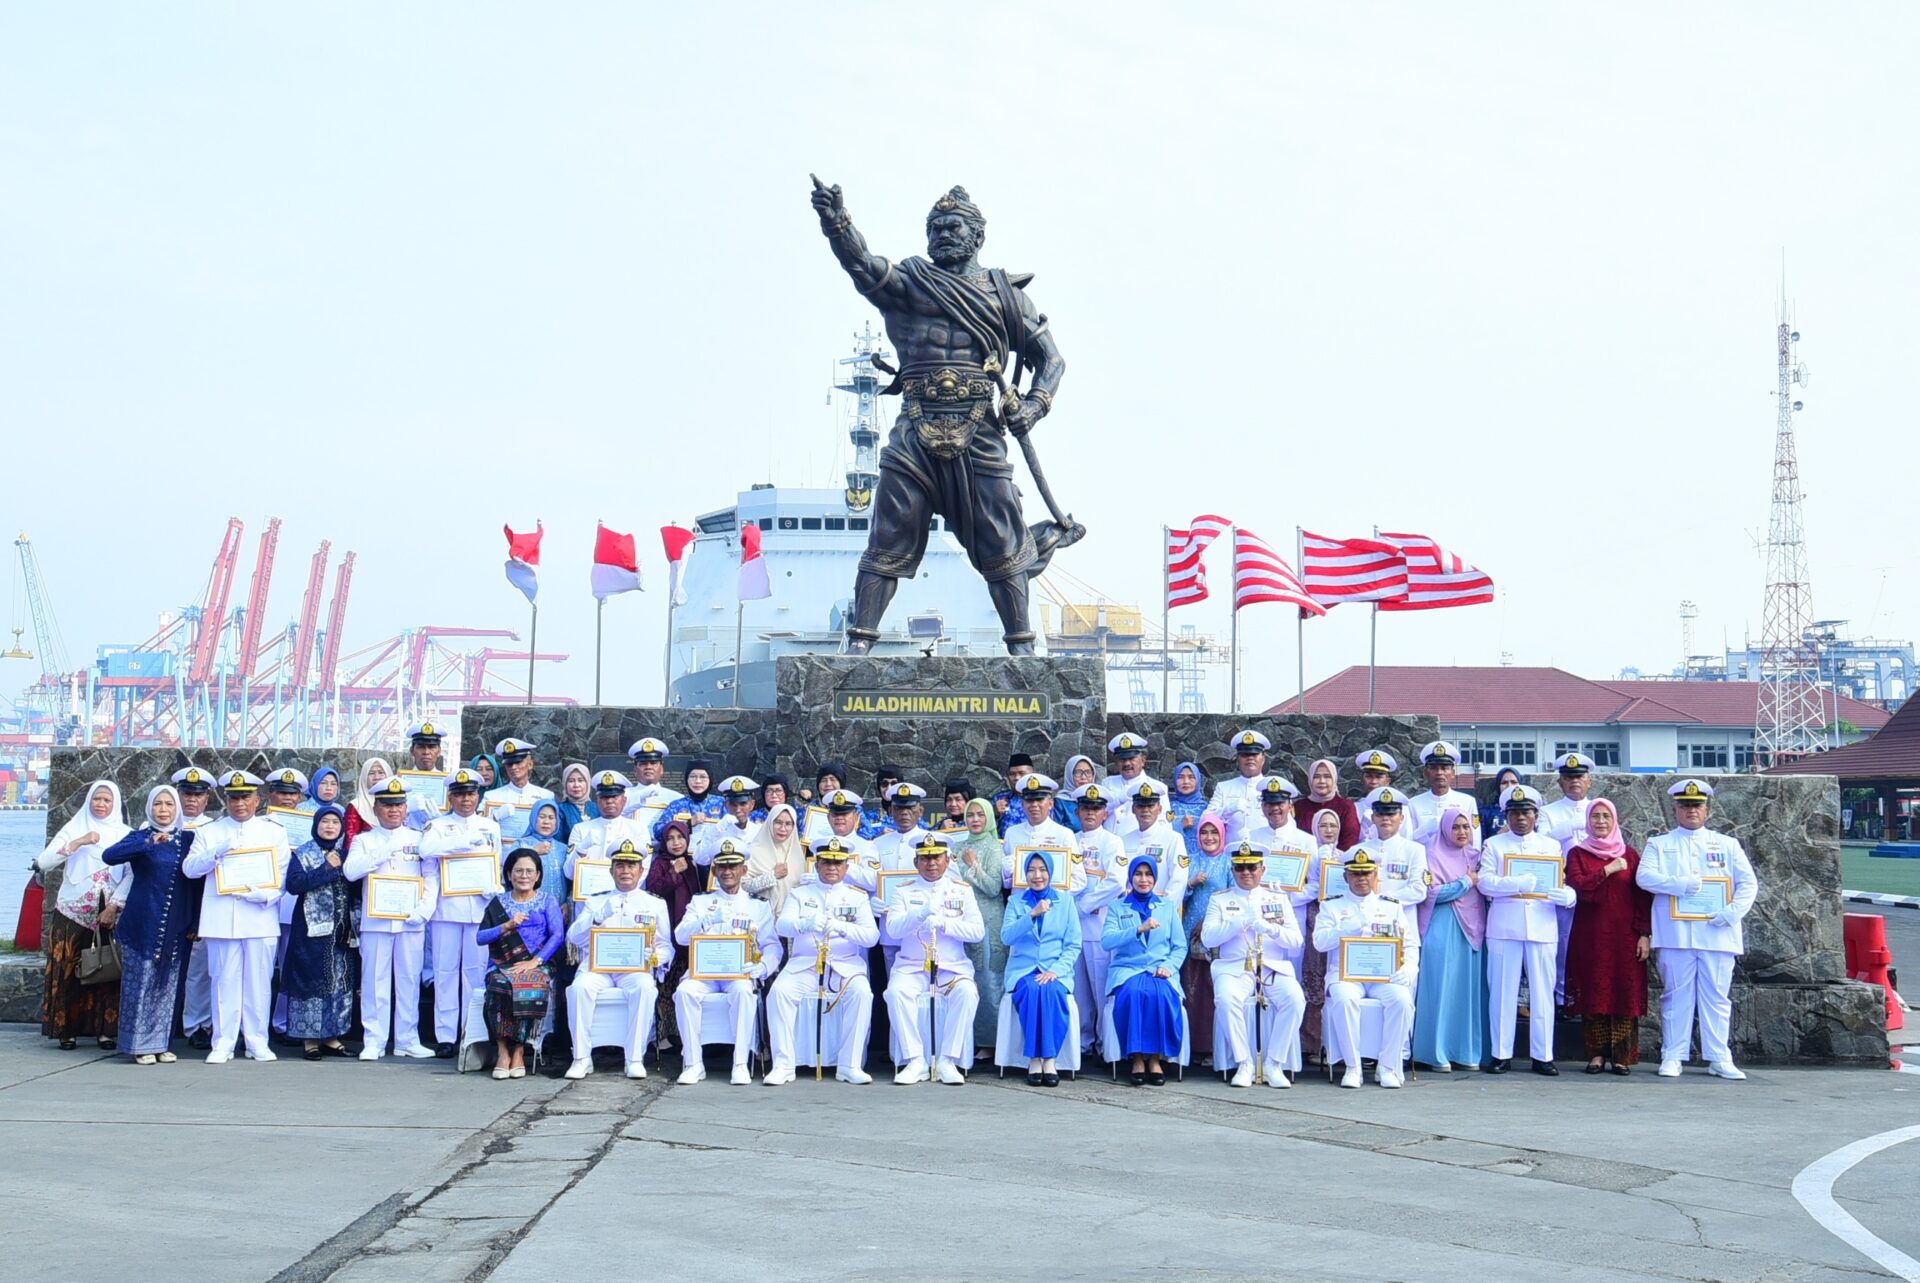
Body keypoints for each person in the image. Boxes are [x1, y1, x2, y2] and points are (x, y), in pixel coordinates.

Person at [1636, 779, 1760, 1081]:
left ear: (1707, 810)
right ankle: (1673, 1055)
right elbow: (1644, 877)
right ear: (1674, 809)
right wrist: (1679, 884)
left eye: (1697, 806)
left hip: (1717, 933)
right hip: (1676, 933)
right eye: (1685, 806)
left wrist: (1731, 913)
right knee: (1675, 996)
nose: (1691, 811)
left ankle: (1719, 1057)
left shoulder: (1727, 845)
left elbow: (1748, 884)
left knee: (1716, 998)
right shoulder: (1659, 844)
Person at [181, 771, 293, 1063]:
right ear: (225, 800)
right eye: (233, 798)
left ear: (257, 799)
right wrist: (216, 852)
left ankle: (257, 1041)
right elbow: (189, 869)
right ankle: (223, 1042)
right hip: (221, 918)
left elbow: (284, 873)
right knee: (223, 982)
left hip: (259, 916)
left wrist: (267, 895)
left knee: (259, 983)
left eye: (245, 797)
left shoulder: (274, 831)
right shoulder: (209, 832)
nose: (239, 803)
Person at [1478, 785, 1577, 1076]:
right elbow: (1484, 883)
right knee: (1502, 992)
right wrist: (1516, 883)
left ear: (1535, 815)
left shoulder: (1551, 846)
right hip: (1505, 926)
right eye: (1515, 813)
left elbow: (1560, 881)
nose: (1521, 818)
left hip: (1542, 925)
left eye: (1526, 812)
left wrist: (1568, 896)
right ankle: (1500, 1053)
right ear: (1506, 815)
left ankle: (1543, 1055)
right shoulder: (1494, 845)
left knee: (1543, 992)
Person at [766, 837, 880, 1084]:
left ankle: (849, 1065)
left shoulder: (857, 897)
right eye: (826, 862)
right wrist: (804, 924)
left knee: (862, 993)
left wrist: (843, 928)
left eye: (838, 863)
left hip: (845, 965)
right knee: (779, 993)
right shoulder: (800, 894)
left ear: (846, 867)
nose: (832, 867)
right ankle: (783, 1065)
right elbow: (782, 926)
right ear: (816, 865)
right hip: (805, 965)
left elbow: (871, 937)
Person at [100, 785, 198, 1064]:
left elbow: (197, 883)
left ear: (177, 808)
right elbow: (110, 855)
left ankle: (161, 1043)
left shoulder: (188, 839)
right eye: (158, 804)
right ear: (149, 808)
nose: (163, 810)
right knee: (140, 983)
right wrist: (147, 843)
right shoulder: (140, 837)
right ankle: (139, 1045)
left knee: (167, 985)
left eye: (169, 804)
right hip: (142, 921)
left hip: (175, 924)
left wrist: (195, 922)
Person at [343, 777, 435, 1060]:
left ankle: (407, 1039)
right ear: (376, 808)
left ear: (406, 808)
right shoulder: (363, 840)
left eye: (398, 805)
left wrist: (424, 910)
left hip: (410, 920)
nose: (393, 810)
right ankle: (374, 1039)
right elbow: (350, 872)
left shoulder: (419, 839)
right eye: (387, 805)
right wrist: (382, 852)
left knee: (409, 981)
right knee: (374, 981)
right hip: (376, 921)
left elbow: (431, 877)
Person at [34, 780, 131, 1050]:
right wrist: (78, 842)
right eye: (96, 799)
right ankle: (67, 1031)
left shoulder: (126, 834)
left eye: (107, 800)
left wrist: (115, 906)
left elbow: (131, 874)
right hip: (71, 912)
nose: (101, 804)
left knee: (107, 971)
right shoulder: (74, 829)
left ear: (115, 804)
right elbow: (44, 862)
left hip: (108, 914)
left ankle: (105, 1031)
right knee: (68, 970)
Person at [1200, 842, 1306, 1088]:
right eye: (1240, 868)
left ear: (1262, 869)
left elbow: (1296, 942)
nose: (1246, 872)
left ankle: (1274, 1063)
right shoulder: (1220, 900)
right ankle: (1244, 1062)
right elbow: (1208, 939)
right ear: (1233, 870)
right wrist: (1236, 923)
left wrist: (1271, 929)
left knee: (1295, 999)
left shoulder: (1277, 899)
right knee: (1226, 1000)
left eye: (1252, 867)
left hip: (1272, 967)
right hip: (1235, 968)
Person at [564, 841, 672, 1080]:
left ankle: (634, 1058)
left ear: (641, 871)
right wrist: (596, 917)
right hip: (598, 968)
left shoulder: (655, 903)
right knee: (579, 988)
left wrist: (656, 956)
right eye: (620, 866)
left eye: (631, 866)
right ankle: (581, 1058)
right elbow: (573, 937)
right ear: (611, 871)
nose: (626, 871)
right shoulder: (595, 901)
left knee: (645, 988)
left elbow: (666, 945)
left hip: (634, 969)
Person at [673, 844, 780, 1085]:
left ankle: (740, 1063)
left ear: (744, 870)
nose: (727, 871)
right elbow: (680, 936)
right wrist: (706, 920)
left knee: (743, 992)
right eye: (722, 867)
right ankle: (693, 1063)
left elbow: (772, 946)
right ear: (714, 871)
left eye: (733, 866)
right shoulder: (700, 902)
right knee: (685, 991)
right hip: (704, 974)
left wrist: (763, 967)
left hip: (738, 973)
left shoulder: (758, 905)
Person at [884, 837, 985, 1085]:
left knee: (967, 993)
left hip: (951, 966)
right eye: (925, 858)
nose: (931, 863)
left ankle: (948, 1060)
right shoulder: (903, 890)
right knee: (895, 993)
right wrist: (918, 915)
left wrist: (946, 924)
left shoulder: (961, 890)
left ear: (947, 860)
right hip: (912, 966)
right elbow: (893, 930)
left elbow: (977, 932)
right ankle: (915, 1060)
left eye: (937, 857)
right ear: (916, 862)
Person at [1312, 852, 1416, 1089]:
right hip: (1345, 974)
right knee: (1344, 999)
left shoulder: (1391, 906)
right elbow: (1319, 943)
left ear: (1375, 875)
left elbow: (1409, 944)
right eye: (1356, 873)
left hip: (1382, 976)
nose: (1361, 878)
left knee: (1402, 1000)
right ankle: (1352, 1066)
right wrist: (1347, 928)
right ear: (1346, 877)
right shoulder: (1331, 906)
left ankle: (1387, 1066)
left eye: (1366, 873)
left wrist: (1409, 968)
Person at [1565, 798, 1651, 1075]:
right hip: (1590, 935)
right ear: (1587, 821)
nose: (1600, 821)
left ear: (1615, 821)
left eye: (1606, 816)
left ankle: (1622, 1056)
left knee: (1623, 992)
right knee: (1593, 991)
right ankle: (1596, 1055)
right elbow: (1577, 886)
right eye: (1595, 816)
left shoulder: (1630, 855)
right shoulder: (1578, 854)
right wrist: (1606, 870)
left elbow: (1642, 898)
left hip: (1625, 937)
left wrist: (1644, 934)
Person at [422, 766, 503, 1057]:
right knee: (444, 973)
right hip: (447, 908)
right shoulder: (437, 825)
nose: (466, 799)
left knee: (475, 975)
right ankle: (445, 1036)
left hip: (479, 909)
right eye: (459, 794)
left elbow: (496, 862)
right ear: (451, 797)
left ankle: (472, 1033)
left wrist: (493, 885)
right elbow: (426, 849)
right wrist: (463, 842)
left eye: (470, 793)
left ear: (478, 795)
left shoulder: (490, 826)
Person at [1412, 801, 1488, 1073]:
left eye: (1466, 826)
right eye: (1455, 827)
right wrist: (1465, 882)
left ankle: (1466, 1051)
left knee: (1466, 991)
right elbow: (1431, 893)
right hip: (1442, 926)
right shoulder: (1431, 855)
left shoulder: (1477, 856)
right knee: (1440, 987)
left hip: (1473, 929)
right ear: (1444, 829)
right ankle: (1437, 1052)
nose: (1461, 832)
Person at [475, 849, 564, 1079]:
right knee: (498, 984)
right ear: (509, 874)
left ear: (538, 876)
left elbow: (557, 935)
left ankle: (519, 1050)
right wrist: (505, 926)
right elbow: (480, 937)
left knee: (529, 984)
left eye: (529, 871)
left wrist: (536, 961)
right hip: (502, 963)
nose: (524, 876)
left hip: (537, 963)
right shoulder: (499, 903)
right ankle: (502, 1051)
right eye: (518, 871)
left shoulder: (547, 900)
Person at [1101, 853, 1187, 1086]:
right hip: (1128, 969)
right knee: (1133, 994)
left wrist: (1168, 966)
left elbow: (1180, 946)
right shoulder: (1117, 907)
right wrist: (1137, 929)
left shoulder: (1166, 907)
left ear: (1155, 878)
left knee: (1161, 995)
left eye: (1148, 874)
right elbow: (1107, 941)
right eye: (1138, 874)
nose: (1143, 879)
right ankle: (1137, 1058)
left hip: (1159, 969)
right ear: (1130, 877)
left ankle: (1155, 1058)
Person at [280, 805, 356, 1059]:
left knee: (337, 981)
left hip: (341, 931)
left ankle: (332, 1036)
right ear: (315, 825)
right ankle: (309, 1039)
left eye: (335, 822)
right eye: (325, 821)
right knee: (311, 981)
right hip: (310, 931)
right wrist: (325, 868)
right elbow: (294, 885)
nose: (330, 826)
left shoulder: (346, 855)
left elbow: (354, 891)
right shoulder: (302, 854)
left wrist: (353, 927)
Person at [1001, 849, 1082, 1086]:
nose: (1037, 875)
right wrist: (1031, 915)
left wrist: (1056, 970)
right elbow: (1006, 937)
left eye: (1042, 870)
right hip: (1023, 970)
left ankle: (1050, 1058)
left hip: (1055, 970)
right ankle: (1034, 1058)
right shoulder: (1016, 902)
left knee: (1052, 991)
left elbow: (1073, 944)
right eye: (1031, 870)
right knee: (1031, 989)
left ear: (1051, 872)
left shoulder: (1065, 902)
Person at [1068, 783, 1125, 1056]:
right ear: (1077, 811)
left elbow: (1116, 882)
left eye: (1096, 808)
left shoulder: (1112, 842)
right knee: (1078, 990)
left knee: (1101, 989)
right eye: (1085, 808)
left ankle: (1104, 1045)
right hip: (1070, 926)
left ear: (1105, 813)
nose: (1090, 813)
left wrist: (1084, 906)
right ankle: (1081, 1044)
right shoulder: (1070, 839)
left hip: (1097, 923)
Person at [946, 796, 1006, 1050]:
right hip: (958, 922)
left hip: (988, 921)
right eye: (970, 815)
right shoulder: (957, 847)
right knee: (962, 981)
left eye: (981, 815)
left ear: (989, 818)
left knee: (988, 982)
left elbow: (993, 888)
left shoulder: (995, 848)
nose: (975, 820)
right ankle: (964, 1042)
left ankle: (991, 1043)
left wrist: (973, 866)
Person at [1539, 751, 1597, 1005]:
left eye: (1579, 776)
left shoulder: (1600, 809)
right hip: (1563, 886)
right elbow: (1541, 843)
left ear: (1589, 780)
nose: (1574, 781)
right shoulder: (1547, 812)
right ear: (1560, 782)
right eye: (1568, 777)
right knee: (1564, 944)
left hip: (1596, 886)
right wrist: (1570, 826)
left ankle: (1589, 998)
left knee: (1594, 943)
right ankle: (1563, 998)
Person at [173, 766, 221, 1051]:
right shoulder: (159, 823)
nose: (192, 800)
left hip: (200, 905)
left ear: (207, 798)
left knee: (199, 971)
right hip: (167, 905)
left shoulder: (213, 830)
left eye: (198, 795)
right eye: (186, 794)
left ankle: (197, 1025)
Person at [1180, 816, 1231, 1058]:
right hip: (1189, 933)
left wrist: (1208, 922)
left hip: (1216, 934)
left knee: (1212, 990)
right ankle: (1189, 1047)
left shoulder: (1228, 863)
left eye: (1214, 832)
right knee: (1191, 989)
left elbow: (1232, 898)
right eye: (1204, 832)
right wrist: (1190, 884)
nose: (1209, 837)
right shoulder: (1190, 860)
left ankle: (1213, 1048)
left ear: (1222, 835)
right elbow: (1177, 895)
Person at [1354, 787, 1429, 940]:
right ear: (1373, 818)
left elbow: (1418, 890)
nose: (1385, 818)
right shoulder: (1360, 851)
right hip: (1366, 929)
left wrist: (1380, 898)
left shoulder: (1414, 850)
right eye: (1380, 814)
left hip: (1402, 928)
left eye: (1391, 813)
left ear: (1401, 818)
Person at [567, 771, 651, 887]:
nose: (609, 801)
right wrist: (581, 849)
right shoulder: (580, 829)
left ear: (624, 800)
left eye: (614, 796)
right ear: (597, 801)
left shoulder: (638, 829)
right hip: (587, 894)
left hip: (624, 895)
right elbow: (569, 873)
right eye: (604, 797)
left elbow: (643, 869)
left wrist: (619, 889)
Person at [1202, 729, 1271, 846]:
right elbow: (1205, 819)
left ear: (1263, 759)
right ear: (1237, 759)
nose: (1250, 758)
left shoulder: (1272, 788)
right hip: (1232, 853)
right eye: (1245, 754)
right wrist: (1229, 809)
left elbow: (1286, 824)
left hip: (1264, 852)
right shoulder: (1224, 788)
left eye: (1254, 754)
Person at [1407, 740, 1481, 845]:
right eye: (1434, 768)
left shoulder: (1467, 802)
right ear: (1426, 773)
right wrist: (1426, 830)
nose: (1439, 773)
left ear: (1453, 773)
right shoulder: (1413, 804)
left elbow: (1475, 839)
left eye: (1444, 768)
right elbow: (1408, 840)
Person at [484, 738, 554, 848]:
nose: (513, 767)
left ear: (530, 764)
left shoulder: (546, 796)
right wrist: (494, 816)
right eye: (509, 764)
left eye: (518, 762)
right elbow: (478, 828)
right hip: (502, 854)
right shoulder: (491, 797)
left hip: (535, 854)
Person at [745, 802, 806, 917]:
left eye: (788, 824)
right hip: (759, 917)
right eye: (778, 822)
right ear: (769, 823)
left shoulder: (798, 855)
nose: (783, 828)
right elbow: (743, 886)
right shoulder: (753, 852)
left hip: (788, 919)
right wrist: (772, 876)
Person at [1100, 733, 1163, 835]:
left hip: (1138, 842)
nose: (1127, 763)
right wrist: (1118, 799)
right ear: (1116, 762)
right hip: (1109, 841)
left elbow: (1164, 823)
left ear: (1143, 760)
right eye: (1122, 759)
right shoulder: (1107, 783)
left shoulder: (1157, 787)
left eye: (1131, 758)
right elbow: (1099, 812)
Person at [693, 775, 761, 865]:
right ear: (726, 805)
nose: (738, 809)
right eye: (733, 804)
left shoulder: (759, 832)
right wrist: (717, 829)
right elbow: (700, 859)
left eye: (743, 804)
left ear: (752, 805)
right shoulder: (718, 831)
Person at [1296, 759, 1360, 850]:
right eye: (1316, 777)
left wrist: (1333, 856)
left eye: (1327, 776)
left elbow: (1350, 838)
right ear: (1310, 779)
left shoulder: (1346, 806)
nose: (1322, 781)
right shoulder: (1299, 807)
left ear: (1334, 779)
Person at [622, 737, 683, 826]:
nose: (648, 767)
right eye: (643, 763)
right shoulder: (623, 796)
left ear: (661, 769)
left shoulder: (676, 798)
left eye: (653, 763)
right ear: (635, 770)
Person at [400, 719, 449, 830]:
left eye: (432, 747)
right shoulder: (401, 783)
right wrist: (405, 809)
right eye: (421, 747)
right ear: (412, 750)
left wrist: (440, 820)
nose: (426, 752)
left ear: (439, 751)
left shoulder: (447, 784)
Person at [657, 759, 723, 841]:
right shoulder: (676, 805)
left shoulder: (722, 803)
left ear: (710, 780)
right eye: (693, 776)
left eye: (703, 777)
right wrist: (687, 824)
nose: (698, 781)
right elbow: (658, 832)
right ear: (686, 779)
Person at [522, 801, 568, 903]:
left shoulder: (563, 848)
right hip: (527, 906)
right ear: (533, 818)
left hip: (558, 908)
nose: (546, 822)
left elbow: (571, 878)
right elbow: (509, 869)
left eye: (551, 818)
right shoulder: (521, 844)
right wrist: (533, 851)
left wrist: (566, 903)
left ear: (557, 821)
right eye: (542, 817)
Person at [345, 757, 393, 849]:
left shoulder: (398, 805)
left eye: (381, 772)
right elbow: (350, 842)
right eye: (371, 773)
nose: (377, 777)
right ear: (364, 778)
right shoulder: (356, 806)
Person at [1353, 750, 1397, 841]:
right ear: (1362, 780)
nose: (1373, 781)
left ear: (1387, 781)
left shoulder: (1399, 808)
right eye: (1369, 776)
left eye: (1379, 777)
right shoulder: (1354, 808)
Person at [1167, 761, 1209, 855]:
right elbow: (1159, 835)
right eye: (1180, 777)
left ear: (1198, 780)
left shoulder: (1207, 809)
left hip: (1201, 861)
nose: (1186, 782)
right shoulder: (1167, 808)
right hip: (1173, 858)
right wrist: (1179, 825)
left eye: (1191, 777)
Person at [990, 754, 1035, 835]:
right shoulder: (999, 799)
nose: (1016, 777)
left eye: (1022, 773)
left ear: (1032, 774)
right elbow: (986, 831)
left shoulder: (1042, 800)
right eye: (1012, 774)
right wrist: (995, 813)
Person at [1050, 755, 1098, 831]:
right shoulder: (1061, 801)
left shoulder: (1098, 800)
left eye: (1088, 772)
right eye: (1078, 772)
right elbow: (1057, 830)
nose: (1083, 777)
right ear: (1069, 774)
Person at [860, 765, 903, 840]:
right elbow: (860, 843)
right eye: (884, 784)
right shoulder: (869, 817)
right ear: (879, 787)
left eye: (894, 784)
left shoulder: (910, 815)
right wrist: (877, 838)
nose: (889, 788)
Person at [555, 763, 593, 842]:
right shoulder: (560, 810)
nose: (576, 785)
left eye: (580, 780)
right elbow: (558, 841)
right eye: (571, 781)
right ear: (565, 784)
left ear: (587, 782)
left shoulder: (596, 808)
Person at [1482, 767, 1522, 839]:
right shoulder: (1485, 813)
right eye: (1504, 783)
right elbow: (1480, 842)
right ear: (1498, 786)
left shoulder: (1529, 812)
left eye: (1514, 782)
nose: (1509, 786)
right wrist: (1500, 835)